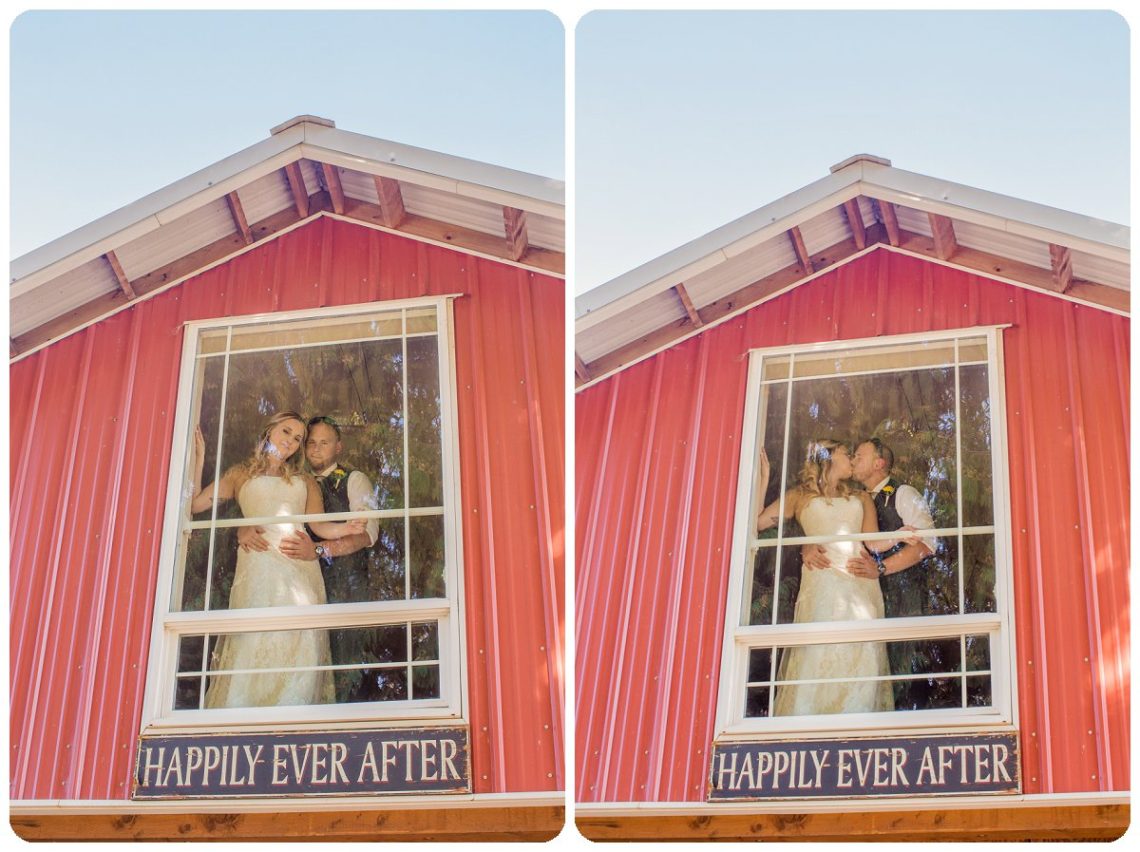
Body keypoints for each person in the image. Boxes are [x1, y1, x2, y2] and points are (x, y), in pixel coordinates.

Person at [190, 412, 363, 709]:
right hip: (257, 567)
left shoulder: (304, 480)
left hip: (299, 570)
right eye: (286, 432)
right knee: (253, 639)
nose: (291, 442)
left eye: (298, 439)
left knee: (297, 643)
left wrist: (347, 527)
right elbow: (194, 505)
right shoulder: (239, 474)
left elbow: (319, 527)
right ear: (269, 430)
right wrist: (199, 458)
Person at [237, 415, 380, 703]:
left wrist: (317, 551)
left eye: (324, 442)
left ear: (338, 447)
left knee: (343, 673)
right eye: (310, 442)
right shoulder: (289, 479)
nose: (315, 448)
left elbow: (366, 535)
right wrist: (243, 528)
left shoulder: (354, 479)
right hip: (293, 584)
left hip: (343, 591)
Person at [755, 439, 893, 716]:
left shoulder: (862, 497)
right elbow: (757, 524)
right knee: (816, 652)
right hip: (821, 581)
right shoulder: (798, 496)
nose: (852, 460)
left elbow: (875, 543)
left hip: (859, 583)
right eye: (846, 454)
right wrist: (763, 480)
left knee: (860, 655)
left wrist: (912, 536)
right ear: (827, 458)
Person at [845, 437, 937, 709]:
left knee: (904, 665)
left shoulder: (904, 494)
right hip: (862, 600)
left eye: (859, 455)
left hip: (902, 598)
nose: (853, 461)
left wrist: (882, 568)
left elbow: (927, 544)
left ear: (879, 463)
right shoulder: (853, 499)